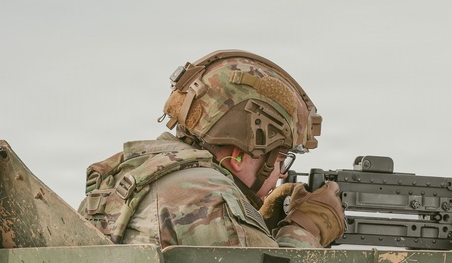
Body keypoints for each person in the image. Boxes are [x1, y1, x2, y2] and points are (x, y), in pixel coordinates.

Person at [79, 51, 344, 248]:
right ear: (240, 156)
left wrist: (257, 222)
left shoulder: (136, 169)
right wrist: (308, 227)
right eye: (282, 158)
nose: (282, 175)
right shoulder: (210, 200)